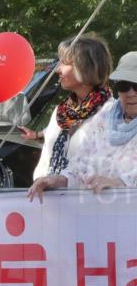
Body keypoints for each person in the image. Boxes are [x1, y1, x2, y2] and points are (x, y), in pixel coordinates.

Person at [28, 50, 137, 201]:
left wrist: (121, 184)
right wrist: (57, 180)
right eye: (124, 85)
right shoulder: (106, 116)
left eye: (136, 86)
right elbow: (79, 166)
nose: (131, 93)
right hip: (92, 215)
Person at [19, 34, 114, 180]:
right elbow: (46, 158)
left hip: (84, 199)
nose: (57, 70)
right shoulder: (61, 112)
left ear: (86, 68)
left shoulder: (111, 113)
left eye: (65, 63)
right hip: (44, 199)